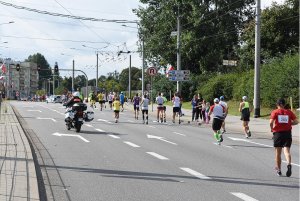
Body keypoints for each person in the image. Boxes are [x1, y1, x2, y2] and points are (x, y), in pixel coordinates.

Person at [270, 98, 298, 177]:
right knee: (287, 151)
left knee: (278, 153)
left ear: (277, 104)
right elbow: (296, 121)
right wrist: (289, 123)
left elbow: (271, 122)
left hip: (278, 134)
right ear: (284, 104)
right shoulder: (289, 112)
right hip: (287, 133)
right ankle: (289, 164)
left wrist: (272, 129)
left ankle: (278, 170)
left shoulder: (275, 112)